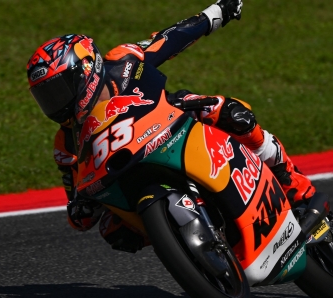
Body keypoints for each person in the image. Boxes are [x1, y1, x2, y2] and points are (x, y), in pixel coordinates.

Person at [26, 0, 315, 253]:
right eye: (46, 97)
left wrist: (219, 12)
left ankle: (297, 188)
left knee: (231, 113)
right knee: (114, 231)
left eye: (59, 91)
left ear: (86, 70)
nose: (56, 104)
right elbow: (76, 206)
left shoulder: (123, 60)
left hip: (172, 116)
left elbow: (170, 39)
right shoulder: (65, 145)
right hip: (128, 172)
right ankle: (190, 247)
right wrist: (80, 210)